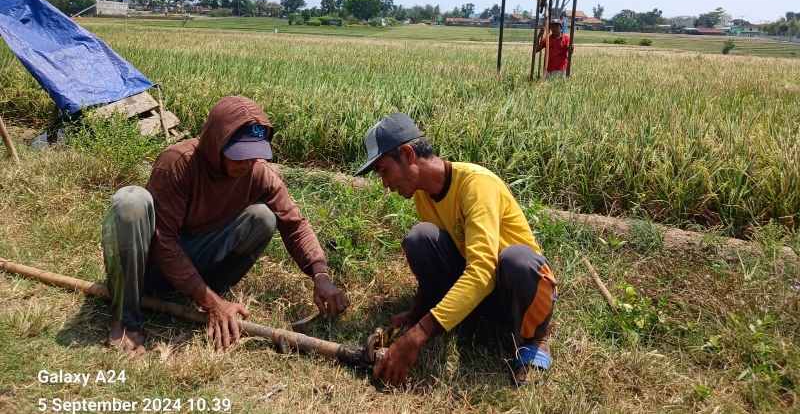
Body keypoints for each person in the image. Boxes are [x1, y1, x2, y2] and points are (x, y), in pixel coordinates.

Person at [101, 96, 348, 354]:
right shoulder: (178, 163)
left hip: (191, 264)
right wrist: (212, 303)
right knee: (131, 202)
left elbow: (294, 223)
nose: (247, 164)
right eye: (239, 155)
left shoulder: (257, 173)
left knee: (262, 218)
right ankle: (126, 318)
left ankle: (205, 294)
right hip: (147, 267)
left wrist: (320, 276)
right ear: (215, 144)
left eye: (253, 155)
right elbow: (164, 243)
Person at [356, 114, 557, 386]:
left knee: (516, 260)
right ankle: (470, 320)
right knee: (420, 238)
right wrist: (417, 313)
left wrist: (419, 334)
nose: (385, 183)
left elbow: (483, 270)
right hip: (486, 295)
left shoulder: (476, 185)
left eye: (383, 170)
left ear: (407, 154)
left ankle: (534, 338)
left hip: (518, 290)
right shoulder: (424, 197)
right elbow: (449, 259)